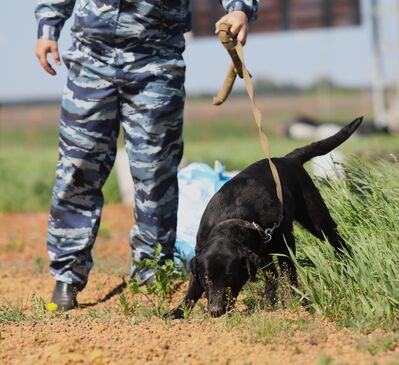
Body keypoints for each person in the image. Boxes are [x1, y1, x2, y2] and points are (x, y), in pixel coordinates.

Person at [35, 0, 258, 311]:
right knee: (77, 167)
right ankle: (67, 276)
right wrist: (48, 26)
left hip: (156, 59)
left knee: (155, 174)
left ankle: (152, 273)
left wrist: (240, 9)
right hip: (91, 57)